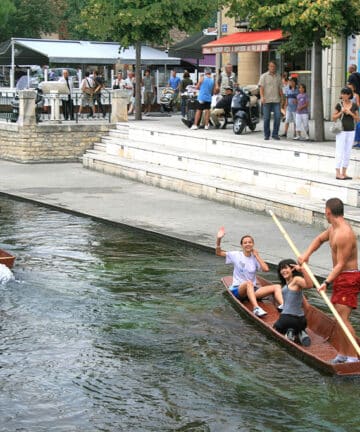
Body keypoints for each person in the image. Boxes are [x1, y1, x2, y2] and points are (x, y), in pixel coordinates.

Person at [299, 197, 360, 364]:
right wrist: (306, 255)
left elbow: (340, 264)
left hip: (348, 277)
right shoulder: (333, 228)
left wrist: (326, 282)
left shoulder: (344, 234)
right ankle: (343, 353)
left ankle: (354, 357)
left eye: (324, 212)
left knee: (343, 319)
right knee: (338, 318)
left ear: (328, 212)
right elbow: (319, 240)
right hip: (340, 276)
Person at [216, 227, 283, 317]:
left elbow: (266, 269)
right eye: (245, 243)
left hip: (252, 290)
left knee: (277, 286)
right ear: (242, 245)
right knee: (249, 283)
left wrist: (257, 256)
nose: (248, 244)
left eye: (250, 242)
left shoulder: (254, 258)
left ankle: (284, 306)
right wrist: (219, 239)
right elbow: (219, 253)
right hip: (239, 289)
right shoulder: (236, 255)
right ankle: (256, 308)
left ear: (253, 244)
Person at [273, 259, 313, 345]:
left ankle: (289, 332)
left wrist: (302, 270)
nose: (283, 271)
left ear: (292, 269)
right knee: (295, 325)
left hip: (287, 319)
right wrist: (302, 318)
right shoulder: (296, 288)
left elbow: (309, 285)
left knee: (277, 326)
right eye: (281, 269)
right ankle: (300, 331)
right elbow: (307, 307)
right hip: (302, 321)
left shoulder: (296, 280)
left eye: (285, 268)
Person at [332, 87, 358, 180]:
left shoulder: (354, 105)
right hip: (341, 131)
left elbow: (357, 119)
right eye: (342, 93)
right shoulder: (339, 105)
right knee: (339, 151)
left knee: (347, 152)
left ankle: (344, 172)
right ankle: (338, 173)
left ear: (349, 95)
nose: (343, 95)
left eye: (345, 94)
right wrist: (341, 112)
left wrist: (350, 113)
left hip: (351, 131)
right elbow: (333, 118)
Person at [258, 61, 283, 140]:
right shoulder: (264, 76)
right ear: (268, 67)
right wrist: (262, 97)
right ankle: (266, 134)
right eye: (271, 66)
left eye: (274, 66)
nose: (272, 68)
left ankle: (275, 134)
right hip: (267, 100)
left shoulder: (278, 76)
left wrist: (282, 98)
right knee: (266, 118)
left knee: (278, 117)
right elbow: (261, 87)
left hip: (276, 100)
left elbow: (280, 88)